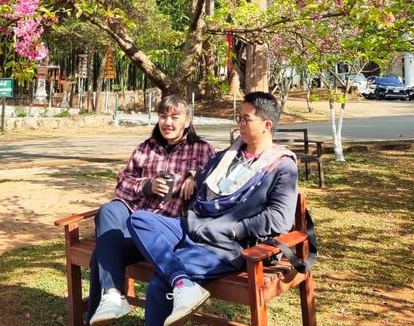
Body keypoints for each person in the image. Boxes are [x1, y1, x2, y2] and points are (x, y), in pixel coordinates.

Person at [126, 91, 298, 326]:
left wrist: (235, 229)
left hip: (225, 246)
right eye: (239, 118)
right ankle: (183, 282)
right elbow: (203, 176)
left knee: (159, 285)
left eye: (246, 119)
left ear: (267, 125)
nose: (240, 124)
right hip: (193, 227)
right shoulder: (228, 157)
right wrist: (191, 175)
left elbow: (280, 217)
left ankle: (177, 280)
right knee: (140, 220)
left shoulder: (281, 166)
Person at [88, 94, 214, 326]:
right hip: (136, 227)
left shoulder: (201, 149)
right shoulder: (146, 149)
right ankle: (114, 296)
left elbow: (216, 183)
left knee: (100, 256)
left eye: (175, 117)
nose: (168, 122)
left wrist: (196, 176)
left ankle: (99, 311)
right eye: (163, 116)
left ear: (187, 121)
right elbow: (122, 185)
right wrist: (147, 185)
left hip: (167, 233)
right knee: (108, 211)